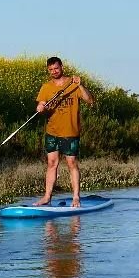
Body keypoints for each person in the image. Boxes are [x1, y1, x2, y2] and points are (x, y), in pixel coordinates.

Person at [35, 57, 94, 207]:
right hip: (52, 131)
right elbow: (42, 103)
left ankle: (76, 198)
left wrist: (80, 85)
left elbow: (90, 100)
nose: (54, 71)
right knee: (51, 163)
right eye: (51, 70)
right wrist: (40, 108)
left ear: (61, 67)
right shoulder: (46, 87)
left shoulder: (73, 84)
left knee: (71, 163)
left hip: (70, 132)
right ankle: (47, 197)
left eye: (56, 68)